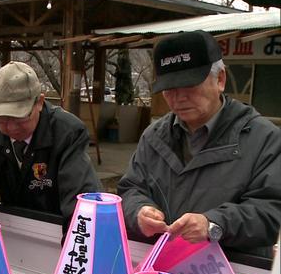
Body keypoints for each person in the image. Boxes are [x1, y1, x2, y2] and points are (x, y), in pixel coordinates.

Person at [118, 30, 281, 258]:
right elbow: (130, 189)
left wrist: (214, 223)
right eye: (170, 90)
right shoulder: (154, 136)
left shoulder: (265, 139)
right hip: (162, 269)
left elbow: (271, 211)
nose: (179, 98)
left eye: (190, 86)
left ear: (220, 79)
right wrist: (139, 211)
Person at [0, 61, 101, 241]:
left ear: (39, 102)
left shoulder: (67, 132)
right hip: (14, 229)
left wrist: (74, 243)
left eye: (20, 118)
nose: (13, 128)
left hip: (56, 230)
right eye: (3, 120)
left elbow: (81, 198)